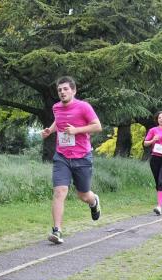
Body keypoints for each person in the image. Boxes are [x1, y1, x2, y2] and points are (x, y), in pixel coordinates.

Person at [41, 76, 102, 244]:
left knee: (83, 195)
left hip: (82, 157)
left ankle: (93, 201)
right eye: (59, 90)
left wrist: (77, 130)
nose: (62, 92)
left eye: (66, 89)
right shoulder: (56, 107)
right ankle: (57, 231)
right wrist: (50, 130)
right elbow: (58, 121)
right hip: (61, 156)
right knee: (59, 192)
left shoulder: (84, 107)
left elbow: (97, 126)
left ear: (74, 91)